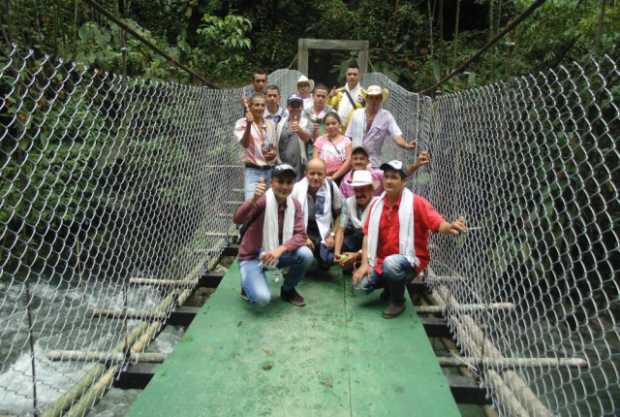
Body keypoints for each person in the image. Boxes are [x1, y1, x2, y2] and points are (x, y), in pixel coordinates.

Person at [352, 160, 467, 319]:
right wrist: (364, 264)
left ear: (404, 181)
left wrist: (450, 227)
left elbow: (436, 221)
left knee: (391, 264)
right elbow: (367, 236)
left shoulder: (416, 202)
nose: (389, 181)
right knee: (359, 288)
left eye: (394, 177)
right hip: (381, 261)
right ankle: (390, 286)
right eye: (386, 177)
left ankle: (398, 301)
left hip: (409, 260)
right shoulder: (377, 204)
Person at [233, 164, 313, 307]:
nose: (284, 186)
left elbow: (301, 234)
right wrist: (253, 199)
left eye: (289, 182)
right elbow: (238, 219)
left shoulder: (294, 205)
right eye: (280, 181)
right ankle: (248, 283)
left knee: (306, 254)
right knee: (262, 299)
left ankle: (288, 290)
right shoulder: (262, 200)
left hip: (277, 254)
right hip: (253, 256)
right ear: (272, 182)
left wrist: (280, 250)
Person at [345, 85, 416, 167]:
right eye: (371, 97)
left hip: (373, 162)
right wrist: (346, 157)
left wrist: (406, 145)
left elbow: (396, 135)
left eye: (377, 98)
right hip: (354, 160)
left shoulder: (386, 116)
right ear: (367, 98)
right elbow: (348, 137)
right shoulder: (357, 114)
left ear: (381, 99)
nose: (374, 100)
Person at [291, 159, 343, 268]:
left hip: (322, 229)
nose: (316, 177)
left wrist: (332, 235)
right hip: (301, 228)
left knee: (327, 261)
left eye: (319, 174)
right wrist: (303, 237)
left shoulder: (331, 186)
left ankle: (319, 252)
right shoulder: (296, 189)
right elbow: (290, 219)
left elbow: (340, 214)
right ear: (306, 174)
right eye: (312, 173)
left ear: (325, 174)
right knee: (304, 256)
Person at [339, 146, 431, 198]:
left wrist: (416, 165)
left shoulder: (377, 175)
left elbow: (399, 174)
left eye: (362, 159)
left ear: (368, 161)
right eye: (355, 159)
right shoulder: (346, 181)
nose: (358, 161)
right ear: (351, 161)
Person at [234, 94, 277, 200]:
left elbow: (273, 147)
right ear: (250, 106)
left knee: (268, 207)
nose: (260, 108)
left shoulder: (270, 124)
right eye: (256, 105)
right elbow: (245, 144)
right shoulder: (241, 123)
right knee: (251, 206)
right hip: (253, 171)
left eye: (262, 105)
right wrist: (249, 125)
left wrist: (273, 154)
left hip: (269, 170)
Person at [334, 170, 377, 271]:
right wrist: (337, 253)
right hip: (357, 237)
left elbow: (376, 238)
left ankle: (360, 260)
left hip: (374, 243)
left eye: (363, 189)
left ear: (371, 189)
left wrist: (357, 255)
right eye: (357, 190)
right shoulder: (348, 202)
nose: (359, 193)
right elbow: (341, 229)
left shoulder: (378, 205)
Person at [274, 94, 311, 180]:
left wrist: (299, 130)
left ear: (302, 107)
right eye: (292, 105)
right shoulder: (280, 123)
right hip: (283, 165)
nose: (294, 108)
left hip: (300, 167)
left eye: (297, 105)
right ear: (287, 107)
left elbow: (308, 139)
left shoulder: (307, 122)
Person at [312, 112, 352, 182]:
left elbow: (348, 161)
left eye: (334, 123)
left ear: (339, 124)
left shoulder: (346, 141)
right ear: (324, 126)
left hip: (342, 178)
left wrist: (334, 177)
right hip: (323, 178)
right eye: (327, 124)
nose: (330, 126)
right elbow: (315, 160)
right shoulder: (319, 140)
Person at [328, 63, 365, 129]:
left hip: (356, 130)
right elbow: (329, 109)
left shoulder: (364, 94)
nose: (352, 77)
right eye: (349, 74)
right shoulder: (338, 92)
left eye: (355, 74)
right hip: (339, 131)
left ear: (359, 76)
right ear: (346, 75)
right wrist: (330, 97)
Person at [302, 83, 334, 160]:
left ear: (327, 98)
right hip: (308, 149)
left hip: (327, 150)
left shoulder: (332, 113)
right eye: (318, 96)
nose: (320, 98)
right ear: (313, 96)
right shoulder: (305, 112)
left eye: (323, 96)